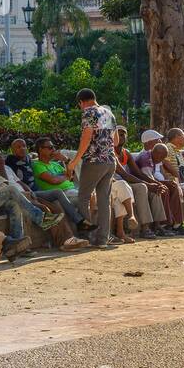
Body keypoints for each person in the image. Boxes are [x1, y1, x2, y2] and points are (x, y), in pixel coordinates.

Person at [0, 145, 88, 250]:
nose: (1, 158)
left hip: (27, 195)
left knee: (56, 207)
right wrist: (1, 168)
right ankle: (65, 241)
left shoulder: (7, 168)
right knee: (44, 209)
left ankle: (68, 240)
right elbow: (5, 188)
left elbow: (19, 182)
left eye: (0, 154)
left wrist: (30, 192)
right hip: (14, 199)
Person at [65, 88, 117, 248]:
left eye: (79, 105)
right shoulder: (109, 113)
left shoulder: (89, 112)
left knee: (83, 197)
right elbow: (115, 141)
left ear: (82, 101)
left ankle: (87, 236)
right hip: (110, 161)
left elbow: (86, 136)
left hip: (94, 161)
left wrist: (74, 161)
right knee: (104, 201)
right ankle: (102, 239)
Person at [112, 126, 173, 238]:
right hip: (116, 184)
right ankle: (145, 228)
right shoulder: (110, 152)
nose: (122, 136)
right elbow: (124, 174)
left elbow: (138, 173)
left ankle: (158, 226)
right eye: (119, 134)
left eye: (124, 134)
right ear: (113, 136)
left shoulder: (126, 153)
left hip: (128, 183)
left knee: (155, 188)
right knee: (142, 187)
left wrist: (155, 184)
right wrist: (148, 184)